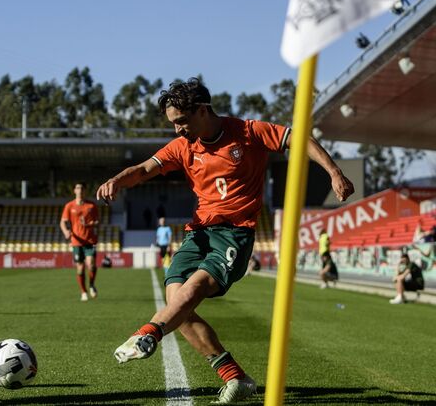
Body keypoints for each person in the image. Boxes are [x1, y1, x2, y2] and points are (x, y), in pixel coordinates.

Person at [97, 77, 353, 404]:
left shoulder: (248, 132)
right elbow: (145, 168)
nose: (177, 129)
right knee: (179, 306)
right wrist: (118, 181)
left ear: (202, 110)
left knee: (191, 293)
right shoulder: (182, 146)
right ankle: (235, 376)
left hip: (234, 233)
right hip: (198, 233)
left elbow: (296, 138)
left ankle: (147, 334)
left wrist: (334, 171)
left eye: (181, 121)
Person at [60, 182, 100, 301]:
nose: (80, 190)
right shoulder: (69, 206)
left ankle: (92, 285)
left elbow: (98, 222)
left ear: (85, 191)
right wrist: (66, 231)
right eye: (77, 188)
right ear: (74, 191)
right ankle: (83, 291)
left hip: (90, 240)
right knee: (80, 268)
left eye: (82, 188)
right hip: (76, 241)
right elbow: (62, 221)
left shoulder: (91, 206)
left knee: (91, 264)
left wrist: (89, 224)